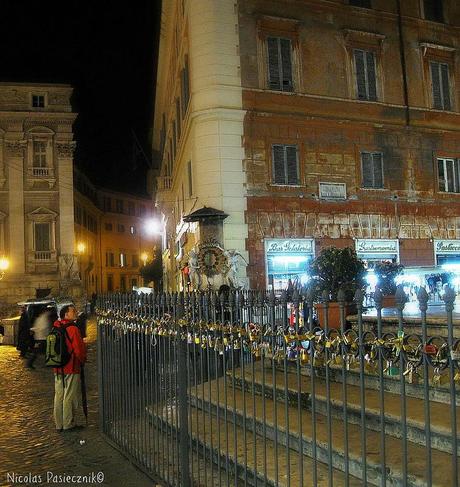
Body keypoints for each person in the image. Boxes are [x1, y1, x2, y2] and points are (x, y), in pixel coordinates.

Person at [53, 304, 86, 432]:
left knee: (59, 395)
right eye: (73, 311)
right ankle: (68, 423)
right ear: (66, 314)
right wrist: (82, 360)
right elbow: (79, 349)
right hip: (71, 366)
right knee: (69, 395)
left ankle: (58, 424)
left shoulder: (56, 326)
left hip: (57, 367)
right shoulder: (73, 329)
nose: (76, 312)